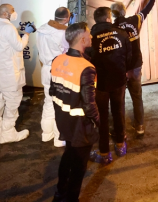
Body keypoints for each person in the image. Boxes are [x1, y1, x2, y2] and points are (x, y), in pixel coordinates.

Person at [50, 22, 99, 202]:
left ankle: (59, 193)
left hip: (63, 119)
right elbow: (89, 104)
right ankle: (70, 199)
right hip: (80, 124)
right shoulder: (86, 68)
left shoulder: (57, 60)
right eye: (89, 35)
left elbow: (52, 90)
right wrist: (98, 123)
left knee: (68, 154)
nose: (92, 37)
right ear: (83, 38)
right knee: (79, 166)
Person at [110, 0, 158, 136]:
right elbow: (146, 10)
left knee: (119, 100)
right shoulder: (134, 21)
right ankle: (139, 126)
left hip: (121, 69)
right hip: (136, 67)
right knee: (137, 96)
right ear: (124, 11)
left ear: (112, 14)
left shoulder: (112, 28)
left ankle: (121, 130)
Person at [89, 6, 133, 164]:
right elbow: (129, 55)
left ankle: (103, 152)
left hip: (100, 83)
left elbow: (88, 61)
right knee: (118, 110)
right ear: (108, 18)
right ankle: (121, 145)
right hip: (119, 81)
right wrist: (123, 71)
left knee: (101, 116)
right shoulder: (121, 33)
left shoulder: (90, 37)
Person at [0, 3, 35, 144]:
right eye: (13, 10)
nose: (14, 13)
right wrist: (26, 33)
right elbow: (19, 46)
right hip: (9, 72)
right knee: (12, 101)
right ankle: (8, 133)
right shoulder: (8, 27)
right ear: (6, 13)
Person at [37, 7, 71, 147]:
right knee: (61, 104)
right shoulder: (63, 33)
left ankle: (46, 134)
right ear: (67, 18)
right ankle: (59, 138)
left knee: (48, 101)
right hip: (59, 69)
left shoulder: (42, 29)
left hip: (45, 69)